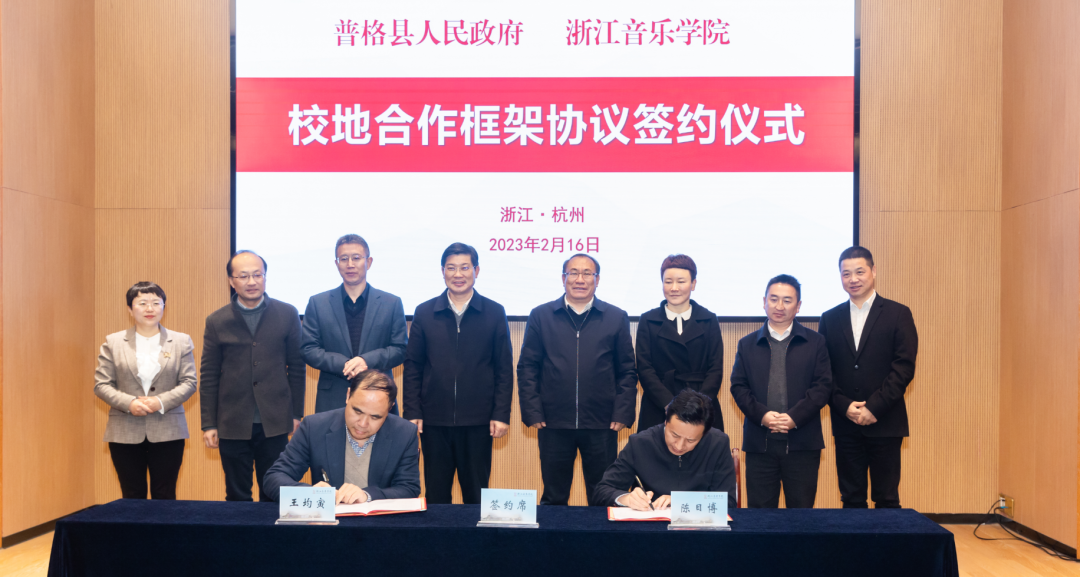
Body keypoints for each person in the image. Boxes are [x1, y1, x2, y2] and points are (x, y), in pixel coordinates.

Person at [517, 253, 637, 506]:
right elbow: (528, 367)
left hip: (602, 422)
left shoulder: (615, 316)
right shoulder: (541, 315)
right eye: (573, 273)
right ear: (563, 278)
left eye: (587, 273)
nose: (579, 279)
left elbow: (627, 370)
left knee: (603, 494)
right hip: (553, 422)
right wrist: (533, 411)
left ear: (597, 279)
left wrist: (622, 412)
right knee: (554, 496)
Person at [402, 243, 513, 504]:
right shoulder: (425, 312)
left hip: (478, 421)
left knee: (476, 494)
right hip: (434, 420)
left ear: (476, 271)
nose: (458, 274)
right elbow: (413, 366)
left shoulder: (494, 312)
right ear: (443, 271)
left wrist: (500, 414)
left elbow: (503, 368)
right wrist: (413, 411)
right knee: (436, 494)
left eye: (465, 267)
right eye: (451, 268)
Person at [200, 250, 306, 502]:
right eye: (244, 276)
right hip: (232, 421)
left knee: (275, 491)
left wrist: (295, 414)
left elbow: (297, 367)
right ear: (231, 280)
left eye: (257, 275)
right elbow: (209, 375)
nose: (252, 282)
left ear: (265, 277)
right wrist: (209, 424)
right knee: (237, 494)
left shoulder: (287, 313)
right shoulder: (217, 320)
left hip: (275, 420)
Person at [818, 246, 918, 509]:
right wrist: (844, 406)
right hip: (846, 422)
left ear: (873, 271)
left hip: (885, 420)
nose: (853, 279)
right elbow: (824, 372)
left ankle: (887, 540)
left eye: (859, 272)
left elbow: (904, 367)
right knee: (851, 498)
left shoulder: (898, 313)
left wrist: (874, 407)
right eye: (846, 274)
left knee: (887, 498)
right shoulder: (829, 319)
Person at [729, 274, 833, 508]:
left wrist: (794, 417)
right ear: (764, 301)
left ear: (798, 306)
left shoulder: (815, 342)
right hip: (759, 445)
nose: (779, 306)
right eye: (774, 299)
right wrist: (762, 416)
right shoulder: (747, 344)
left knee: (801, 516)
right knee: (761, 516)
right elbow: (738, 386)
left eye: (787, 300)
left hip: (803, 444)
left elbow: (823, 386)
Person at [94, 282, 197, 500]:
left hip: (168, 429)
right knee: (131, 495)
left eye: (156, 303)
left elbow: (189, 382)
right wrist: (129, 403)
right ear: (130, 309)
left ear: (164, 307)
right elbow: (102, 384)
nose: (150, 308)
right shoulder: (113, 342)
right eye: (142, 303)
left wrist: (160, 402)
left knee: (165, 494)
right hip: (124, 430)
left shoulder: (181, 341)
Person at [263, 370, 420, 504]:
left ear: (390, 408)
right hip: (327, 525)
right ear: (348, 395)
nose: (363, 424)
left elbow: (409, 488)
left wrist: (367, 495)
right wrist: (311, 493)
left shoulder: (405, 433)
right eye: (357, 411)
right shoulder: (314, 427)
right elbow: (274, 478)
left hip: (379, 525)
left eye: (375, 417)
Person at [302, 234, 407, 414]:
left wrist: (366, 361)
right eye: (344, 259)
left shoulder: (391, 303)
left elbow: (400, 349)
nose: (350, 264)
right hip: (332, 399)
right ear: (337, 264)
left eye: (356, 258)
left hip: (378, 396)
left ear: (369, 262)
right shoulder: (318, 303)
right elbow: (308, 349)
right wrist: (345, 364)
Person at [595, 389, 737, 510]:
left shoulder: (718, 444)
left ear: (704, 433)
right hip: (650, 526)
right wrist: (626, 498)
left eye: (690, 440)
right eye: (674, 435)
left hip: (700, 528)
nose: (679, 446)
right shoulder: (640, 443)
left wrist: (681, 501)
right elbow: (602, 491)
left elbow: (728, 501)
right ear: (665, 421)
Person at [636, 254, 725, 433]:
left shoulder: (709, 319)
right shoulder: (648, 320)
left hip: (701, 405)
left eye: (681, 282)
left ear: (693, 284)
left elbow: (715, 369)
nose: (674, 288)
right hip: (658, 405)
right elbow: (645, 369)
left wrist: (699, 404)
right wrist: (669, 404)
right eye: (668, 282)